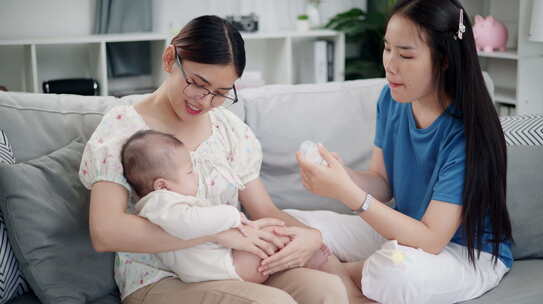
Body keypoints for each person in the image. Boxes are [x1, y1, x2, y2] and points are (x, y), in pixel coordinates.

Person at [79, 15, 347, 304]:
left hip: (232, 264)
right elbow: (106, 232)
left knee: (327, 291)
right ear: (170, 59)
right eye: (197, 83)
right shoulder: (123, 127)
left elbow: (264, 210)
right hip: (160, 278)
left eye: (220, 93)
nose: (205, 102)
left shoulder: (229, 130)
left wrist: (311, 236)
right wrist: (217, 233)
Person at [285, 0, 514, 303]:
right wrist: (343, 177)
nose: (390, 64)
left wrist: (348, 194)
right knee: (293, 225)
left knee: (393, 274)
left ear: (444, 60)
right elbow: (382, 182)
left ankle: (338, 276)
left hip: (462, 252)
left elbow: (432, 239)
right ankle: (339, 273)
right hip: (404, 231)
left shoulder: (467, 134)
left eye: (405, 54)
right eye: (388, 48)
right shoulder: (392, 98)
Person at [120, 130, 329, 284]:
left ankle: (306, 252)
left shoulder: (168, 203)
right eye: (190, 172)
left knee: (268, 232)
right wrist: (232, 216)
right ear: (162, 185)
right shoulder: (160, 203)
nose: (197, 175)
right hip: (221, 267)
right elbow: (189, 223)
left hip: (222, 257)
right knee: (268, 241)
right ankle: (307, 257)